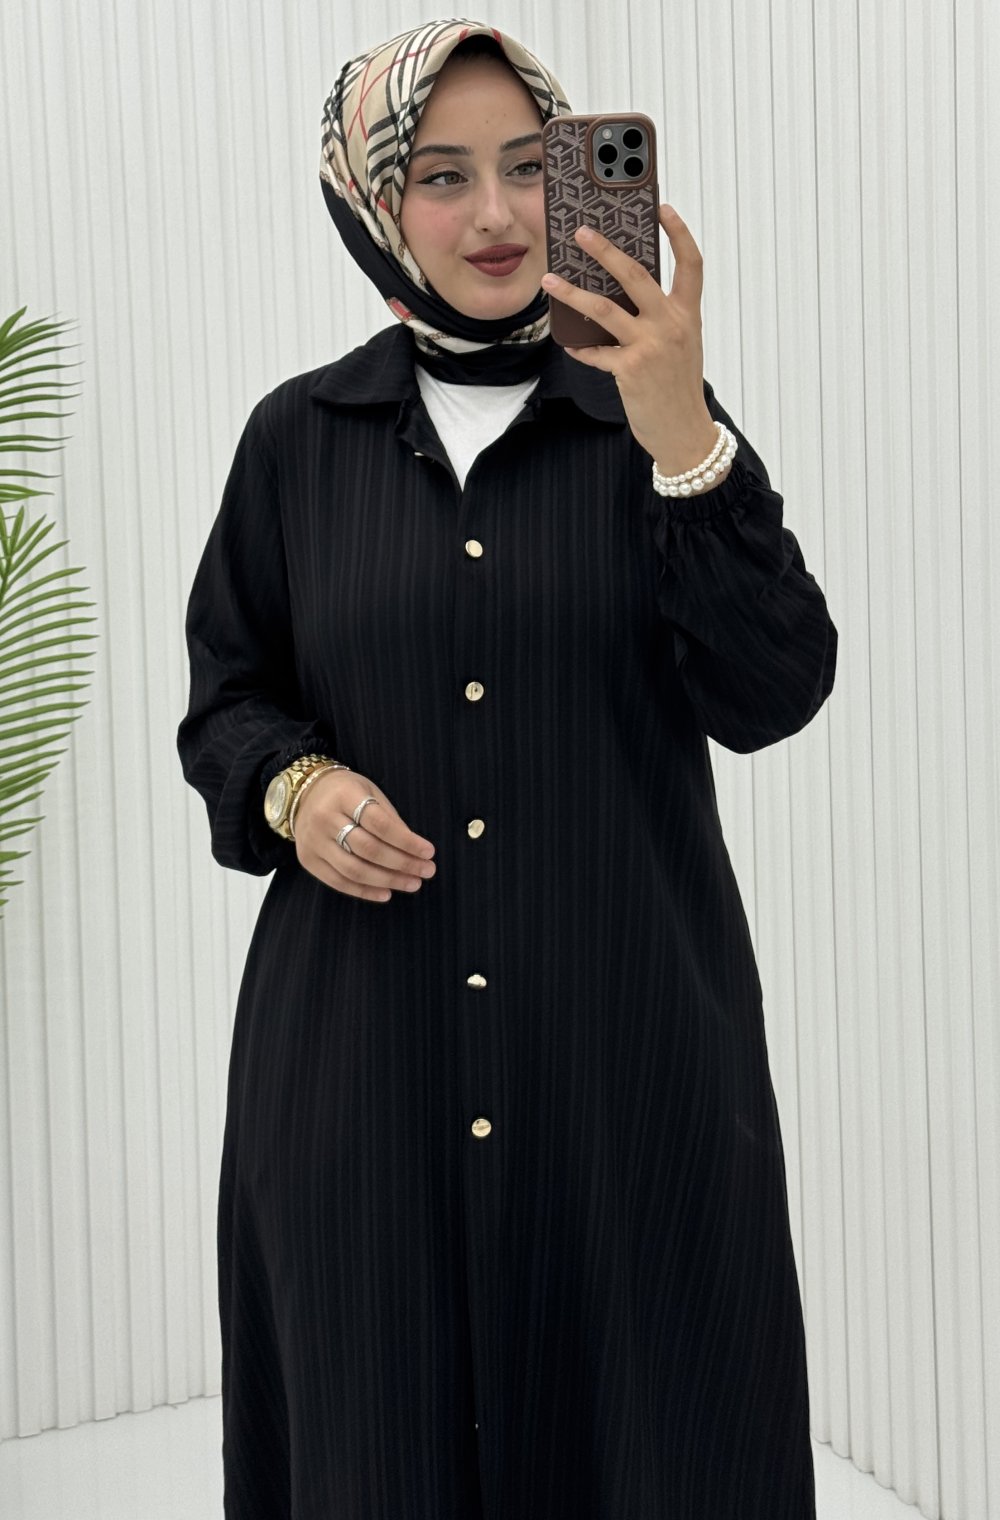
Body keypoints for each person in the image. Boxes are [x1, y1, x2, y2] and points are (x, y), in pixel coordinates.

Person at [177, 18, 837, 1520]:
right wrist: (296, 790)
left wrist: (684, 438)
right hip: (362, 1075)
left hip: (623, 1069)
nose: (496, 215)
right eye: (441, 175)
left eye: (533, 167)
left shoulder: (654, 423)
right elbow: (226, 703)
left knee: (656, 1436)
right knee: (378, 1433)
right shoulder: (296, 440)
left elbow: (775, 692)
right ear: (372, 202)